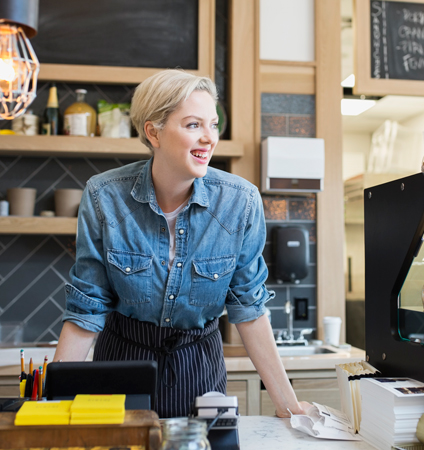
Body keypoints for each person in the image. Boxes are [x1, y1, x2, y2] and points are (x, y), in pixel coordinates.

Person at [53, 69, 311, 418]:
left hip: (199, 366)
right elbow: (88, 306)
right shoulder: (104, 196)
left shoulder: (241, 202)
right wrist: (52, 405)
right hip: (122, 364)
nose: (209, 138)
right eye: (193, 125)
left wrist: (288, 406)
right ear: (153, 132)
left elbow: (249, 309)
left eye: (213, 124)